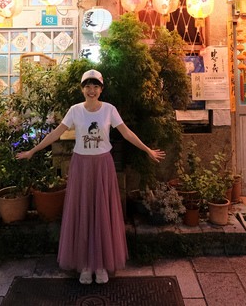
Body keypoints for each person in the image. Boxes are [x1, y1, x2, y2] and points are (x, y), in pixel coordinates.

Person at [16, 69, 165, 284]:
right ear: (82, 89)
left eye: (96, 86)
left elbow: (126, 133)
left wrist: (147, 150)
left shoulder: (109, 110)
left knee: (102, 211)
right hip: (81, 166)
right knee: (82, 211)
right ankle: (85, 265)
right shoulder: (75, 110)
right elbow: (57, 132)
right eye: (87, 86)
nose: (91, 90)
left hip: (103, 165)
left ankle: (101, 265)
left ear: (101, 89)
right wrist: (33, 150)